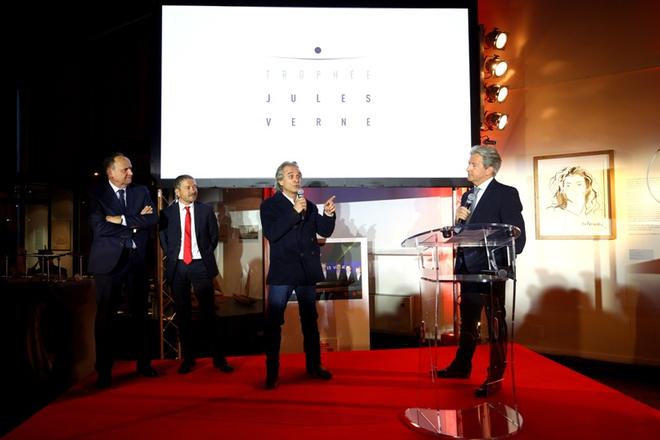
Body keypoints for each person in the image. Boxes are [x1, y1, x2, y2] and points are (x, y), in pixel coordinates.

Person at [437, 145, 526, 397]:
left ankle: (495, 375)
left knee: (496, 323)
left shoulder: (506, 194)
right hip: (468, 268)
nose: (468, 167)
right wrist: (457, 223)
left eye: (473, 164)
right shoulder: (467, 196)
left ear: (489, 168)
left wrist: (500, 263)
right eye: (469, 163)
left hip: (492, 271)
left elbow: (517, 238)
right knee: (468, 322)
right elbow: (462, 235)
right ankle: (461, 365)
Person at [260, 161, 337, 389]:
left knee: (310, 322)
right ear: (280, 181)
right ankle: (272, 373)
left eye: (298, 175)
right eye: (291, 175)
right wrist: (294, 213)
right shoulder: (269, 206)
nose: (297, 178)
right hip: (283, 271)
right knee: (274, 323)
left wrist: (328, 214)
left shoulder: (309, 205)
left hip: (305, 271)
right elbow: (272, 234)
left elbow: (324, 230)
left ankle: (314, 367)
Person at [88, 153, 159, 389]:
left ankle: (144, 363)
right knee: (106, 318)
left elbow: (152, 220)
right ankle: (104, 371)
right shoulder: (97, 194)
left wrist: (120, 220)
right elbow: (99, 227)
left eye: (131, 169)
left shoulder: (140, 191)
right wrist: (135, 222)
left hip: (136, 261)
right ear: (111, 173)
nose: (130, 173)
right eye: (125, 170)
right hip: (108, 264)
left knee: (141, 314)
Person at [159, 175, 234, 375]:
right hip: (178, 267)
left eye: (195, 186)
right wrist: (176, 256)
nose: (193, 189)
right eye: (188, 186)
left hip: (201, 265)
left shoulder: (205, 210)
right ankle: (188, 359)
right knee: (182, 315)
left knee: (209, 313)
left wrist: (202, 255)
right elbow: (164, 240)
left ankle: (219, 359)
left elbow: (213, 237)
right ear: (177, 191)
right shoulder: (166, 213)